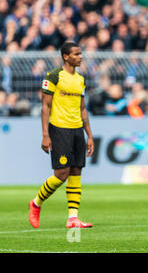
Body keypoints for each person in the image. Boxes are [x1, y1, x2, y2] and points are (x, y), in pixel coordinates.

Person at [28, 41, 95, 229]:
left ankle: (73, 218)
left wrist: (89, 135)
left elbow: (83, 109)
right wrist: (45, 134)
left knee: (76, 172)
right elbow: (45, 107)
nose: (80, 57)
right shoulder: (53, 76)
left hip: (76, 130)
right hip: (59, 129)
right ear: (66, 56)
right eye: (76, 54)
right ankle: (35, 203)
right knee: (61, 174)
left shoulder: (80, 79)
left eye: (81, 53)